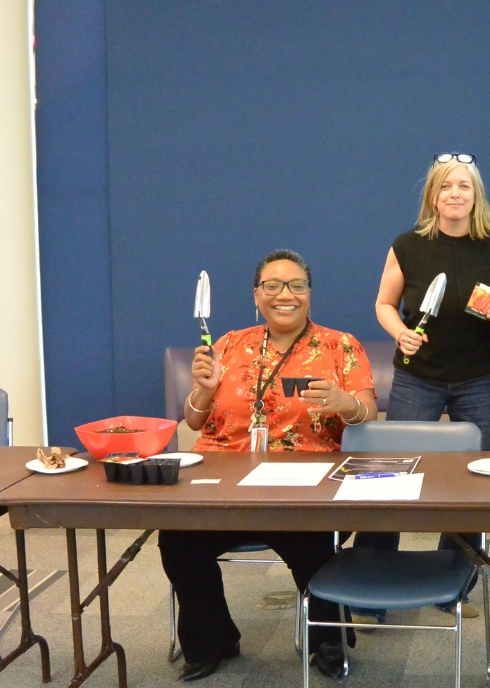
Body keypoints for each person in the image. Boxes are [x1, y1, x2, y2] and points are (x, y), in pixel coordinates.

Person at [161, 249, 378, 682]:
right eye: (273, 285)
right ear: (256, 295)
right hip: (225, 485)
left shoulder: (340, 346)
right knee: (178, 540)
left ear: (309, 294)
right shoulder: (228, 344)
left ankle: (328, 639)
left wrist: (344, 403)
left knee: (317, 545)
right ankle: (212, 641)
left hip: (303, 487)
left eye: (297, 285)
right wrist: (203, 390)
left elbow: (367, 414)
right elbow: (194, 421)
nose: (285, 295)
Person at [368, 152, 490, 620]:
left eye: (464, 186)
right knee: (392, 476)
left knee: (473, 482)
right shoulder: (407, 245)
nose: (455, 193)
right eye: (446, 186)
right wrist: (400, 333)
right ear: (433, 196)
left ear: (476, 197)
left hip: (479, 379)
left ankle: (454, 587)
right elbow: (384, 304)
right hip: (418, 377)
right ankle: (373, 584)